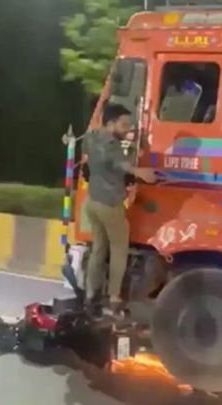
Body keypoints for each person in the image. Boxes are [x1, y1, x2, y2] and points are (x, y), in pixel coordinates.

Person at [83, 104, 156, 314]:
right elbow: (118, 163)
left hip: (92, 202)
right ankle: (114, 297)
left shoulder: (91, 137)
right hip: (110, 204)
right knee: (119, 250)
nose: (127, 128)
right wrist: (139, 172)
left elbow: (99, 156)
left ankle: (90, 294)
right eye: (123, 124)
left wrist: (131, 145)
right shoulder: (112, 145)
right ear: (111, 123)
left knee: (98, 248)